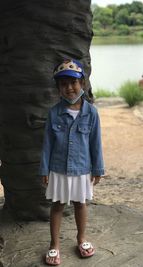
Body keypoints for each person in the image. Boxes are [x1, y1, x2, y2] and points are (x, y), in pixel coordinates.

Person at [39, 59, 104, 265]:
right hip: (57, 168)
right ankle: (54, 244)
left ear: (82, 84)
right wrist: (45, 169)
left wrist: (98, 168)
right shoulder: (54, 113)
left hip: (82, 168)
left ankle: (81, 238)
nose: (69, 88)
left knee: (80, 203)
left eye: (73, 83)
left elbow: (96, 143)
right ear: (58, 88)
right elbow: (47, 143)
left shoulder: (91, 113)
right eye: (63, 84)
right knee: (57, 205)